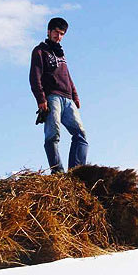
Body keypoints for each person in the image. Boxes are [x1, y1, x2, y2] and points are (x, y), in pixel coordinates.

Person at [29, 17, 88, 174]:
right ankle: (58, 172)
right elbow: (35, 77)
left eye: (62, 34)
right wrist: (41, 99)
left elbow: (68, 77)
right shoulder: (40, 51)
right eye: (56, 32)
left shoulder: (61, 54)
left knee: (80, 134)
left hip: (68, 99)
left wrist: (75, 96)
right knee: (52, 135)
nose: (59, 36)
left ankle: (77, 172)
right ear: (49, 31)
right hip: (52, 97)